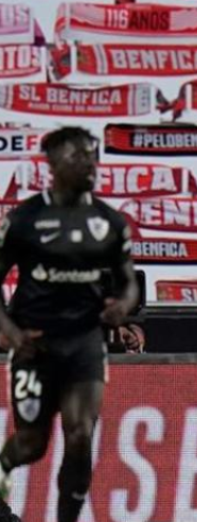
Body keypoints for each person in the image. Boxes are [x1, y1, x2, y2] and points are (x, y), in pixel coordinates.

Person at [0, 127, 138, 522]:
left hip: (84, 345)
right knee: (31, 444)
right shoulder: (24, 220)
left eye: (93, 156)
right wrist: (11, 334)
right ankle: (3, 467)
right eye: (79, 157)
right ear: (54, 164)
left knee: (80, 436)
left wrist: (122, 308)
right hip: (36, 347)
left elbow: (128, 283)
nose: (90, 164)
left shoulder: (110, 223)